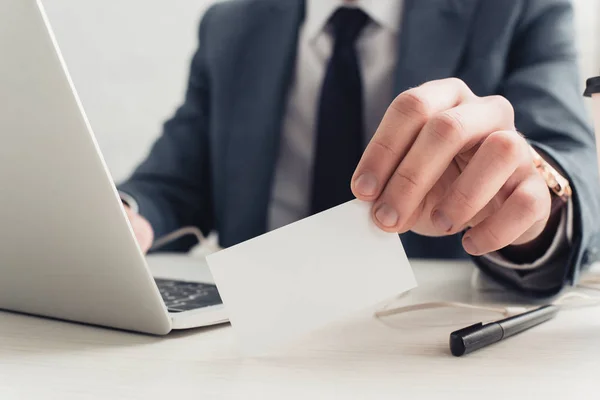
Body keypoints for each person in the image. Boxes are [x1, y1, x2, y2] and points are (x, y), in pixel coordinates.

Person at [118, 0, 600, 296]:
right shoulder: (229, 25)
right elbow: (175, 183)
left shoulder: (516, 8)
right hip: (247, 325)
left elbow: (570, 164)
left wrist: (535, 209)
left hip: (423, 334)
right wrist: (124, 215)